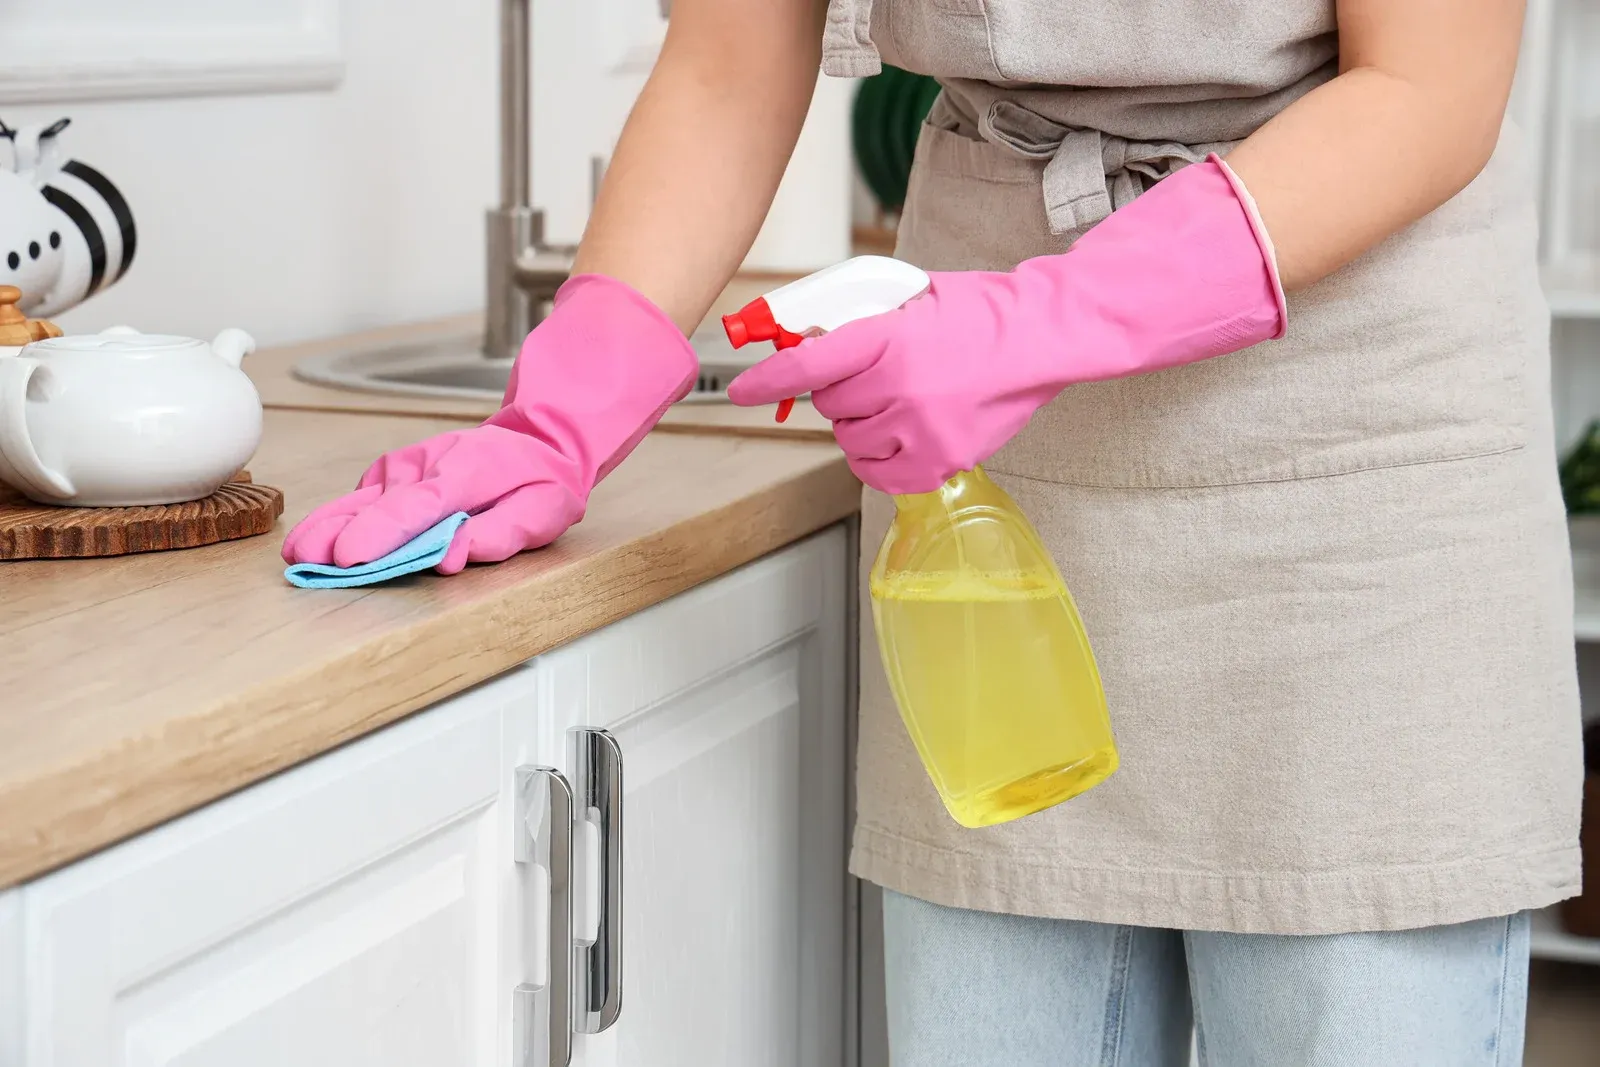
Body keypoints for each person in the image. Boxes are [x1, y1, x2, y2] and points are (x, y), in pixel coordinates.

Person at [283, 0, 1582, 1061]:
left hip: (1354, 444)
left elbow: (1428, 92)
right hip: (992, 464)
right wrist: (561, 409)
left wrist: (1034, 324)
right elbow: (735, 58)